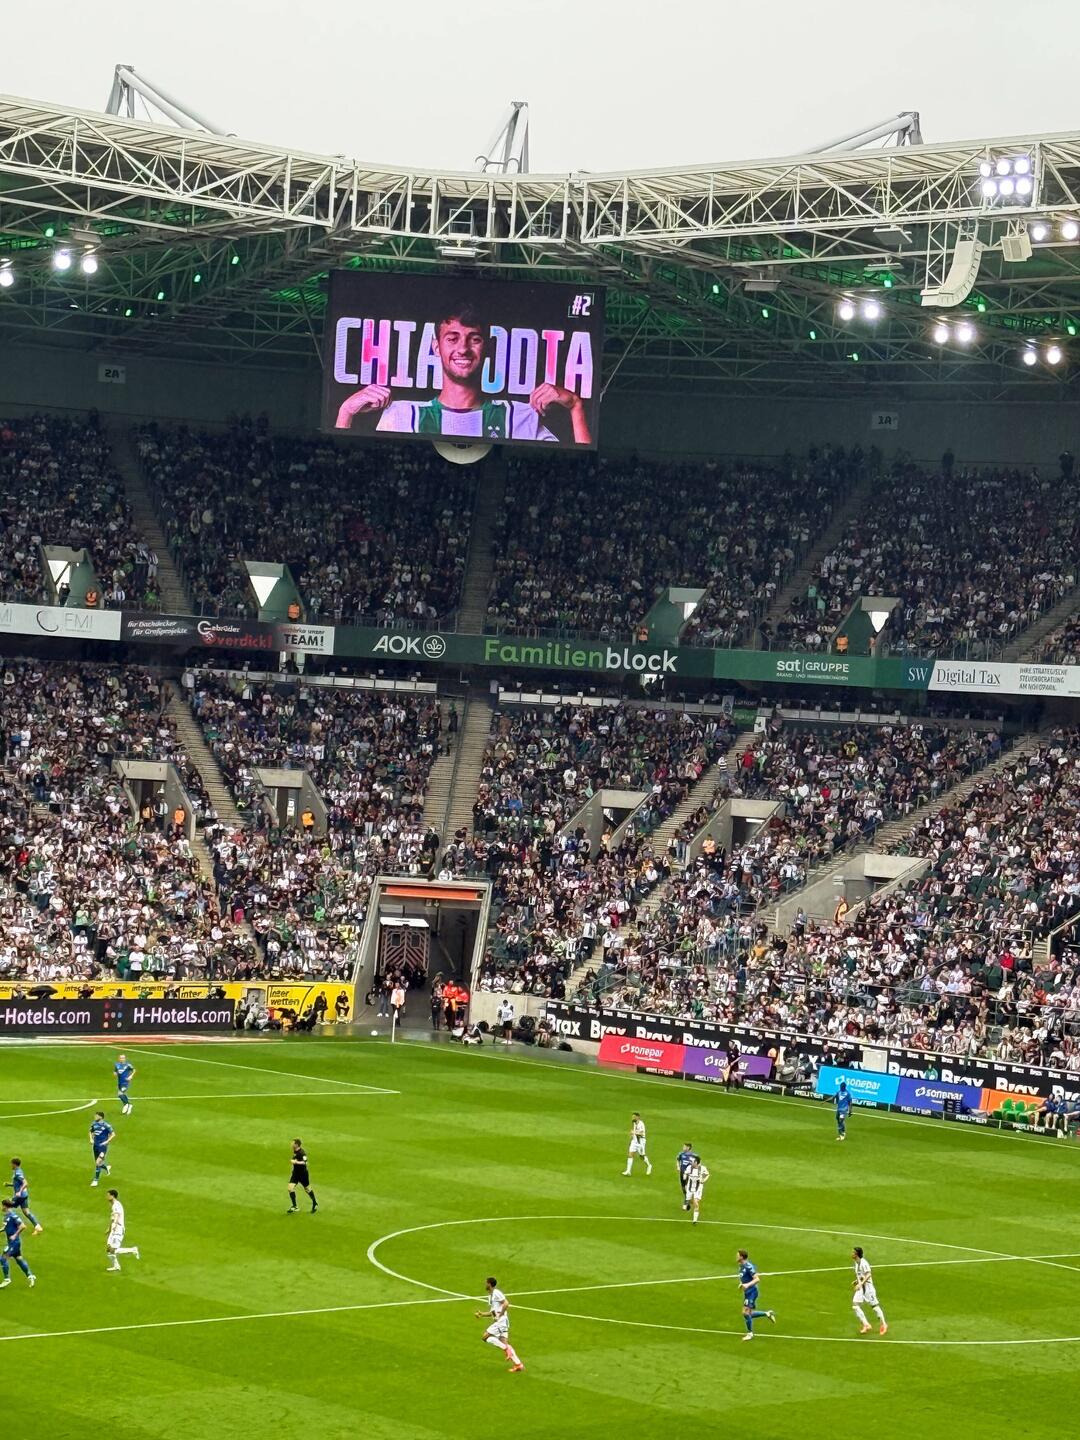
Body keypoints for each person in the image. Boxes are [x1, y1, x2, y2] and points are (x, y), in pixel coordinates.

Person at [334, 302, 592, 445]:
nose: (463, 349)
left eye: (474, 339)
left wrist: (576, 406)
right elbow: (345, 475)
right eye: (452, 338)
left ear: (487, 347)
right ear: (436, 346)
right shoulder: (402, 415)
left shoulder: (518, 417)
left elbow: (581, 471)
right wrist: (345, 413)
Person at [475, 1276, 524, 1372]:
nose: (485, 1285)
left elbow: (506, 1303)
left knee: (485, 1337)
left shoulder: (497, 1293)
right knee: (504, 1342)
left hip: (501, 1321)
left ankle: (506, 1349)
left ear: (489, 1284)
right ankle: (518, 1365)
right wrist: (482, 1314)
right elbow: (493, 1312)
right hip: (501, 1321)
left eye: (486, 1283)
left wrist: (500, 1315)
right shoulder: (490, 1296)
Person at [737, 1250, 775, 1339]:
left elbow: (757, 1279)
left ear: (742, 1257)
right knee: (748, 1313)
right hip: (748, 1292)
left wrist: (747, 1285)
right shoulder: (741, 1266)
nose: (736, 1257)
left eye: (738, 1255)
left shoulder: (748, 1266)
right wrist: (741, 1284)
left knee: (745, 1313)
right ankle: (767, 1314)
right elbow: (745, 1278)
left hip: (752, 1292)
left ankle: (750, 1333)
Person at [851, 1246, 888, 1335]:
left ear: (857, 1254)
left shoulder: (864, 1263)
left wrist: (860, 1283)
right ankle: (866, 1324)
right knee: (855, 1305)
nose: (851, 1253)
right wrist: (857, 1281)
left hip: (868, 1289)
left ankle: (884, 1324)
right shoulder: (856, 1263)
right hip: (861, 1288)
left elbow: (868, 1274)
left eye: (853, 1252)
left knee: (874, 1306)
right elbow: (861, 1275)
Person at [0, 1200, 35, 1288]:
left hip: (14, 1243)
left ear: (5, 1206)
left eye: (2, 1206)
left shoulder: (13, 1216)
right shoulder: (7, 1216)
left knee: (3, 1258)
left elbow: (23, 1226)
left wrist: (15, 1235)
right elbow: (6, 1227)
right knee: (19, 1259)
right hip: (13, 1242)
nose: (1, 1207)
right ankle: (30, 1276)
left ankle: (7, 1279)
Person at [105, 1189, 140, 1272]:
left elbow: (117, 1216)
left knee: (114, 1249)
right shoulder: (114, 1205)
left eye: (108, 1195)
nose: (106, 1197)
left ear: (112, 1196)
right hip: (114, 1228)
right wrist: (109, 1228)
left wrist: (114, 1227)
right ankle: (116, 1266)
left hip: (118, 1229)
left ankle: (133, 1250)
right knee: (109, 1249)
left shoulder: (116, 1205)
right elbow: (113, 1218)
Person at [7, 1159, 42, 1234]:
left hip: (20, 1196)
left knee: (6, 1206)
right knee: (26, 1212)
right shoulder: (18, 1171)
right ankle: (37, 1226)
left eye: (11, 1164)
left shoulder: (18, 1173)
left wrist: (19, 1192)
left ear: (14, 1164)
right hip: (24, 1195)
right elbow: (18, 1183)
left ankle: (16, 1224)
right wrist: (9, 1184)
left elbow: (25, 1183)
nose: (10, 1165)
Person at [287, 1138, 318, 1214]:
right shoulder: (295, 1151)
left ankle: (315, 1203)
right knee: (290, 1188)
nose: (291, 1144)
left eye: (293, 1143)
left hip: (303, 1174)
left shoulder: (302, 1153)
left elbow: (305, 1162)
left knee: (307, 1189)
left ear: (296, 1144)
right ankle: (295, 1206)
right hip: (295, 1174)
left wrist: (295, 1162)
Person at [622, 1112, 652, 1177]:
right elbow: (635, 1131)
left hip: (640, 1142)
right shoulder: (634, 1123)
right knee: (630, 1155)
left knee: (642, 1156)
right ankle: (628, 1171)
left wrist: (634, 1132)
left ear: (638, 1117)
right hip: (634, 1141)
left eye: (634, 1117)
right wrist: (632, 1134)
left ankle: (649, 1165)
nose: (632, 1118)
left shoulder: (641, 1124)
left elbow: (641, 1133)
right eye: (632, 1117)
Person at [89, 1111, 115, 1186]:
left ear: (101, 1117)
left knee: (98, 1162)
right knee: (98, 1163)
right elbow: (90, 1132)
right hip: (95, 1146)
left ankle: (95, 1180)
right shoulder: (94, 1124)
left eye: (96, 1116)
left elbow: (113, 1134)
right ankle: (106, 1168)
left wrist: (107, 1141)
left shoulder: (107, 1125)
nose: (95, 1117)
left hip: (103, 1146)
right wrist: (91, 1139)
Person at [684, 1156, 710, 1224]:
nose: (691, 1162)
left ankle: (695, 1220)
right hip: (690, 1187)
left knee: (696, 1202)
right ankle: (689, 1204)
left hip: (698, 1187)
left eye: (692, 1161)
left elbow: (707, 1174)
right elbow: (686, 1173)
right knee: (689, 1201)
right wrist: (685, 1178)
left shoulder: (702, 1168)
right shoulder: (689, 1167)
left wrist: (703, 1180)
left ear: (696, 1162)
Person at [676, 1142, 698, 1211]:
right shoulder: (681, 1154)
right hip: (682, 1173)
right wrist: (678, 1166)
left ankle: (686, 1203)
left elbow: (698, 1164)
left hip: (689, 1174)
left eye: (684, 1147)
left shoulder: (694, 1156)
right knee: (683, 1188)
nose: (683, 1148)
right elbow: (677, 1160)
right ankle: (688, 1198)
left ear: (688, 1148)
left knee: (687, 1187)